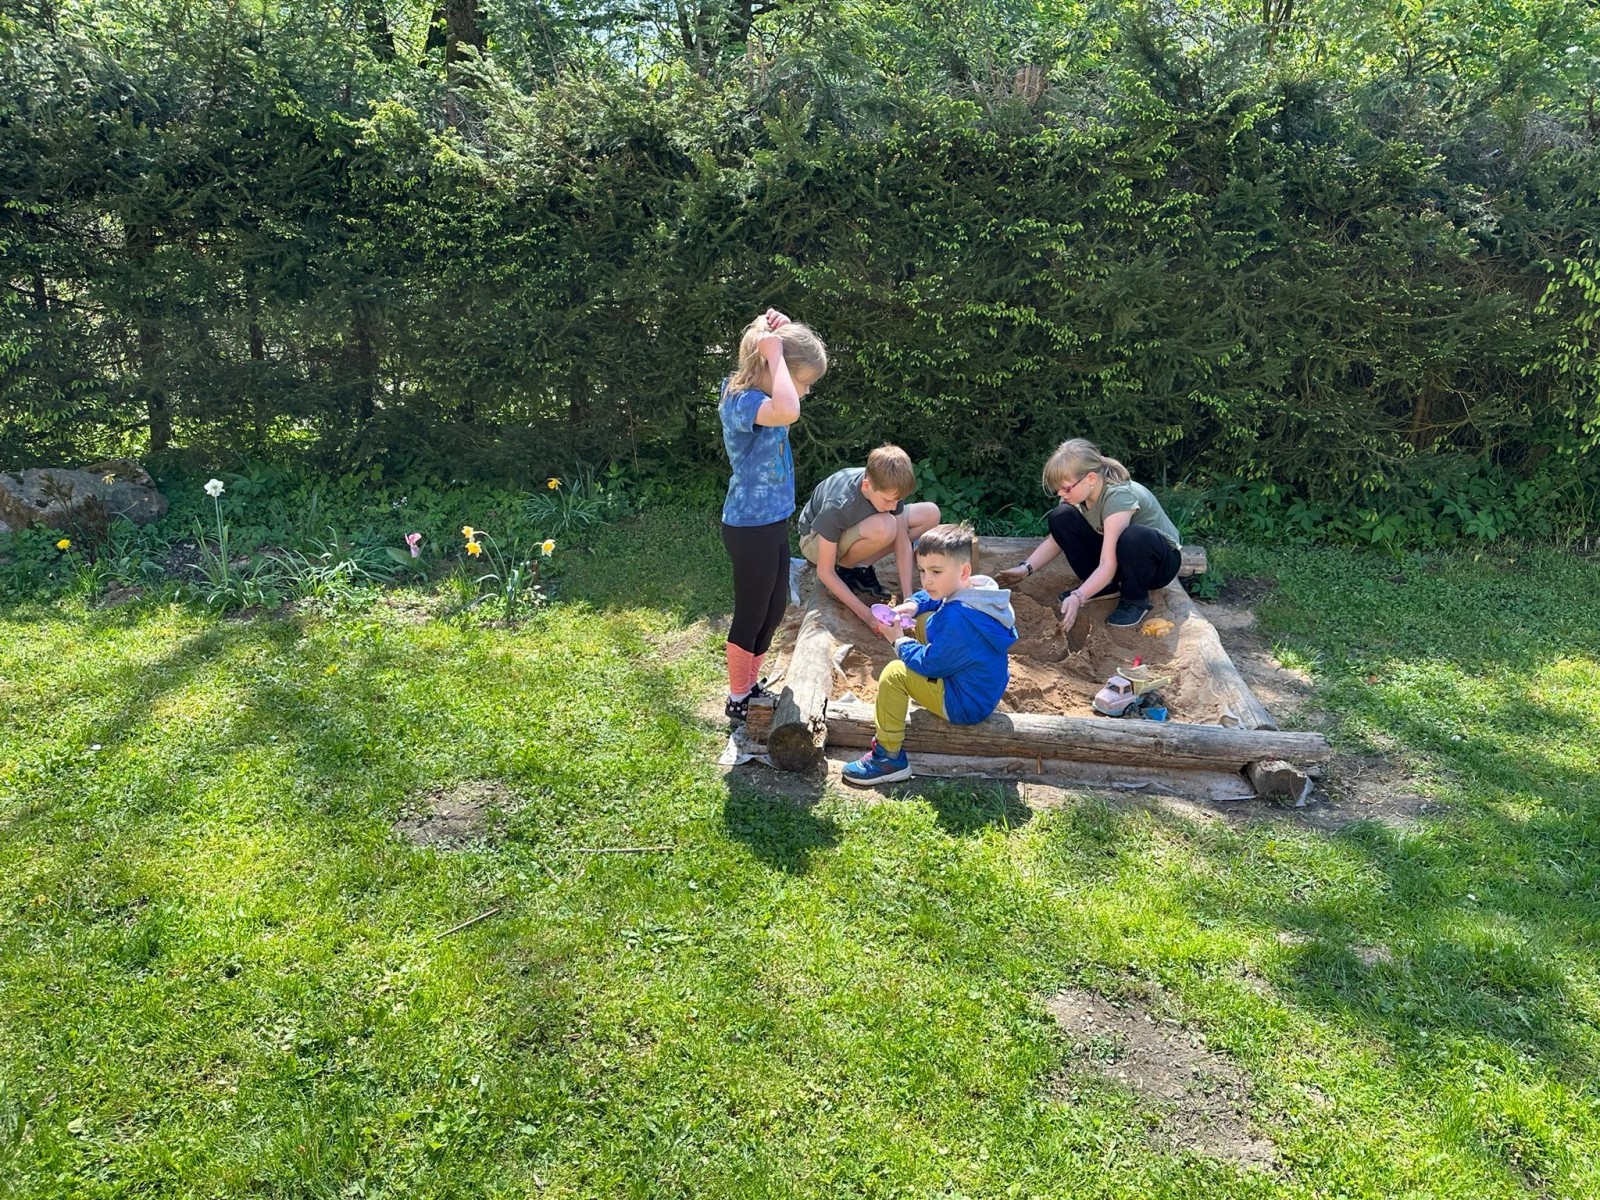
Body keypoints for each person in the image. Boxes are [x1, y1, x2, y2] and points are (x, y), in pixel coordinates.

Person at [842, 523, 1018, 786]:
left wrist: (898, 640)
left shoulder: (957, 618)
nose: (927, 580)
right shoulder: (980, 591)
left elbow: (931, 665)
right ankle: (924, 693)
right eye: (922, 571)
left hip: (966, 702)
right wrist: (913, 605)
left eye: (936, 571)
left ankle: (888, 758)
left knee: (894, 674)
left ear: (964, 570)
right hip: (981, 685)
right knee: (925, 619)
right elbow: (935, 596)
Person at [719, 308, 829, 723]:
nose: (806, 392)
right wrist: (777, 356)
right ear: (771, 367)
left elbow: (786, 402)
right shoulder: (740, 401)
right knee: (752, 611)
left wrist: (778, 340)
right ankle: (737, 695)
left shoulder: (764, 397)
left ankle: (750, 685)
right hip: (749, 527)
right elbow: (788, 410)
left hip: (771, 521)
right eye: (806, 383)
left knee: (775, 608)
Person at [994, 438, 1182, 633]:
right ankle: (1104, 587)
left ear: (1090, 478)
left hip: (1157, 565)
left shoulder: (1118, 496)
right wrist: (1025, 569)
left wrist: (1078, 597)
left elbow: (1108, 562)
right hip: (1122, 559)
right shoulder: (1077, 495)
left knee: (1133, 537)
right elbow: (1055, 540)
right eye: (1058, 489)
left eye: (1066, 488)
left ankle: (1135, 599)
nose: (1060, 494)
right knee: (1061, 517)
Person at [797, 444, 942, 635]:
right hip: (814, 541)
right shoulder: (838, 504)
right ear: (866, 486)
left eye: (897, 500)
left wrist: (909, 598)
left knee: (930, 514)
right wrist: (866, 614)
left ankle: (860, 567)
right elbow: (824, 571)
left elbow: (901, 540)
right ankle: (845, 569)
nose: (894, 506)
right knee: (886, 525)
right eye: (888, 501)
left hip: (861, 526)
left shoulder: (889, 487)